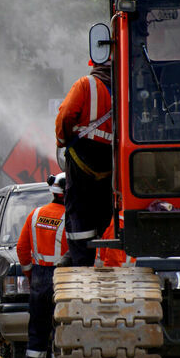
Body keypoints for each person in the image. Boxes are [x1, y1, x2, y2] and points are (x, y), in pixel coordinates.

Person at [55, 62, 113, 267]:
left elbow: (66, 115)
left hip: (83, 156)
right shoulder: (128, 87)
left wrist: (62, 141)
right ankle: (106, 256)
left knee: (78, 206)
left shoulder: (86, 84)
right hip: (113, 160)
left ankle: (80, 257)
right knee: (107, 207)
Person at [15, 173, 67, 358]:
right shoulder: (72, 218)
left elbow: (21, 249)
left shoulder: (35, 215)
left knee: (36, 334)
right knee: (63, 334)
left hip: (39, 278)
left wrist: (30, 274)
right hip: (64, 280)